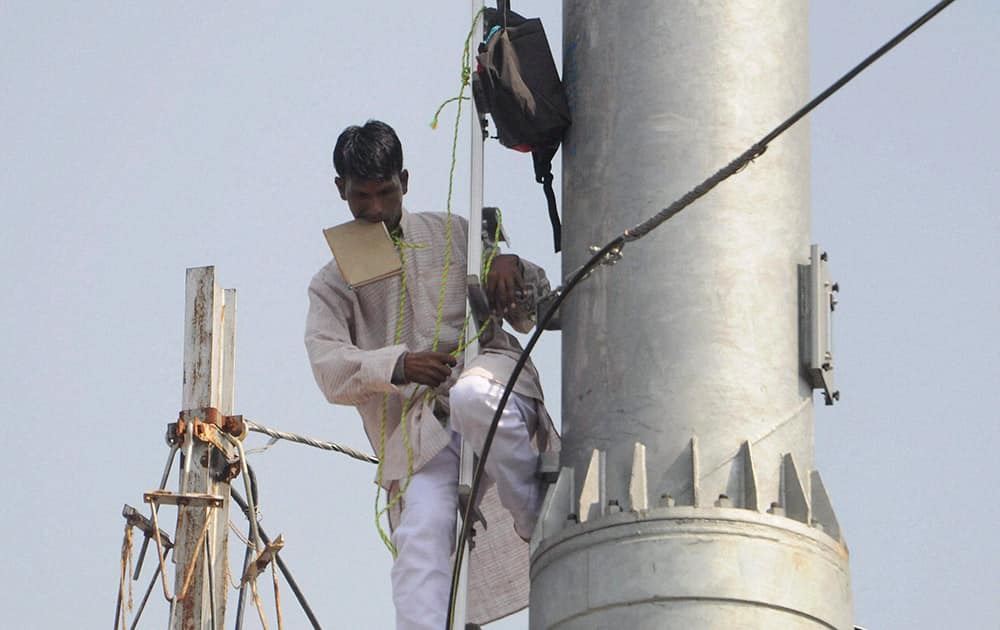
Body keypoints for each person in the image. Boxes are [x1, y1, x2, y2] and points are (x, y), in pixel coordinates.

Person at [305, 120, 558, 630]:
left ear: (405, 180)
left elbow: (536, 305)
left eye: (386, 192)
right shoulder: (333, 281)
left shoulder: (453, 230)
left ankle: (531, 510)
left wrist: (509, 265)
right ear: (341, 191)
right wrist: (399, 364)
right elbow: (329, 367)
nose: (375, 209)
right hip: (421, 432)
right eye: (361, 197)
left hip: (491, 386)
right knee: (419, 536)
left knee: (470, 395)